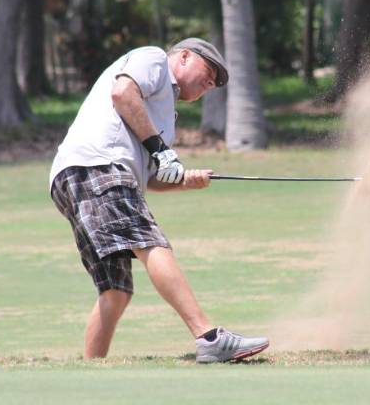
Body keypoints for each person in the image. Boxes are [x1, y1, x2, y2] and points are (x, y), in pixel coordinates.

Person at [49, 38, 269, 363]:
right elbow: (122, 94)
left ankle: (90, 369)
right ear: (183, 56)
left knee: (116, 290)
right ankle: (208, 337)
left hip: (78, 176)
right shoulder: (153, 61)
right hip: (98, 164)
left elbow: (150, 178)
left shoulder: (166, 117)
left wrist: (185, 180)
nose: (210, 83)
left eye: (213, 84)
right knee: (150, 241)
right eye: (208, 72)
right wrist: (163, 151)